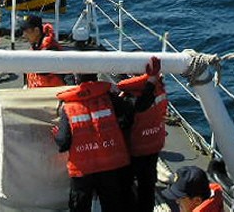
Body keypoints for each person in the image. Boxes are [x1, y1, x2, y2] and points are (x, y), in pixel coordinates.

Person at [53, 73, 135, 212]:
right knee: (113, 204)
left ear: (76, 80)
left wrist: (56, 135)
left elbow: (63, 142)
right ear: (96, 78)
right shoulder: (110, 99)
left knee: (79, 206)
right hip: (111, 164)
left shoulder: (68, 107)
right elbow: (128, 116)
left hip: (83, 169)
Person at [118, 56, 167, 212]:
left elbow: (125, 121)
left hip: (136, 149)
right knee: (148, 184)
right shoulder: (160, 87)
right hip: (155, 143)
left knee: (126, 184)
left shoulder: (131, 98)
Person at [20, 14, 67, 88]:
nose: (24, 35)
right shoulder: (36, 46)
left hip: (50, 93)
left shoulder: (51, 50)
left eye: (26, 32)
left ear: (36, 31)